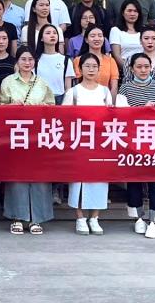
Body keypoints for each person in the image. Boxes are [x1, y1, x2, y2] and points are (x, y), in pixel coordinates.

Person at [117, 53, 155, 239]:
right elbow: (120, 115)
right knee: (134, 181)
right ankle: (138, 218)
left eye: (146, 66)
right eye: (139, 66)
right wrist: (143, 109)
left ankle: (154, 221)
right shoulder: (125, 89)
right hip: (133, 141)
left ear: (151, 68)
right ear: (132, 68)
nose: (143, 70)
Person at [0, 46, 56, 235]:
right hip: (16, 135)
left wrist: (42, 107)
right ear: (17, 61)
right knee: (17, 177)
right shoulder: (8, 82)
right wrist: (10, 107)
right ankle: (17, 217)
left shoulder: (42, 83)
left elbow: (52, 107)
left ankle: (36, 219)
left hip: (38, 136)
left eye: (30, 59)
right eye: (23, 59)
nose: (27, 63)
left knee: (39, 177)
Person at [62, 52, 113, 236]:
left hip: (100, 143)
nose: (91, 70)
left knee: (99, 181)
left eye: (94, 66)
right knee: (78, 181)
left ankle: (95, 218)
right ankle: (80, 218)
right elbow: (64, 119)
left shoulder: (105, 91)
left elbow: (111, 117)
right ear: (80, 69)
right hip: (79, 142)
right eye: (87, 66)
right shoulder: (73, 92)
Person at [123, 27, 155, 103]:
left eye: (154, 38)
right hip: (136, 102)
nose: (150, 42)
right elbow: (127, 82)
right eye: (146, 38)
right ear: (140, 40)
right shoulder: (130, 59)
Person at [74, 24, 120, 94]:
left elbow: (114, 87)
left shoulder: (110, 61)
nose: (97, 39)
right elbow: (77, 85)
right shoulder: (78, 60)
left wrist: (110, 101)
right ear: (86, 40)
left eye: (100, 36)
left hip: (105, 98)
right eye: (93, 36)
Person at [35, 24, 75, 103]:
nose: (52, 35)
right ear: (41, 38)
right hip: (40, 100)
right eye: (48, 33)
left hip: (60, 99)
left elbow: (68, 87)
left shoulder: (65, 60)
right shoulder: (35, 60)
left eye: (54, 33)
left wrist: (66, 103)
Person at [108, 0, 145, 64]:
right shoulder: (115, 30)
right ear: (123, 13)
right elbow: (117, 55)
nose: (132, 14)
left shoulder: (144, 30)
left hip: (143, 67)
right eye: (129, 11)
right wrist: (127, 69)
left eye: (135, 11)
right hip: (124, 67)